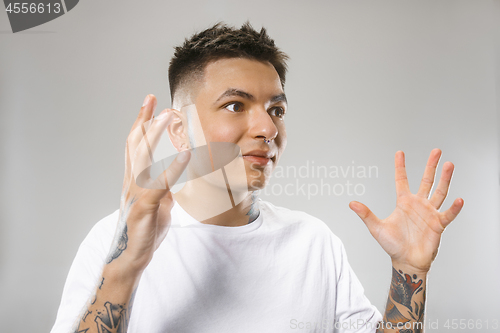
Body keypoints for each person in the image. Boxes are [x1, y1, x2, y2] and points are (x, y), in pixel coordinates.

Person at [51, 23, 463, 333]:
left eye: (277, 109)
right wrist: (126, 266)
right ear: (179, 130)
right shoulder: (111, 242)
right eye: (235, 105)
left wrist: (409, 272)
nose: (267, 128)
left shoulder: (313, 242)